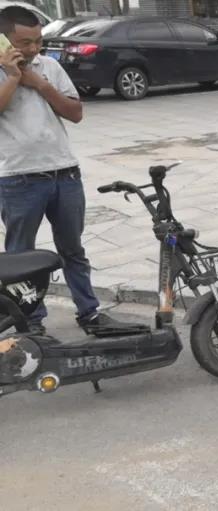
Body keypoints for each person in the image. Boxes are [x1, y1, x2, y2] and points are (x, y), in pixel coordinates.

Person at [0, 6, 125, 336]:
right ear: (3, 40)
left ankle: (90, 314)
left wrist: (38, 83)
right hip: (18, 179)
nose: (32, 49)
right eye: (24, 42)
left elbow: (75, 112)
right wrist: (14, 78)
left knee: (73, 250)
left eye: (38, 41)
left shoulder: (50, 66)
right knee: (20, 258)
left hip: (65, 174)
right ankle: (32, 325)